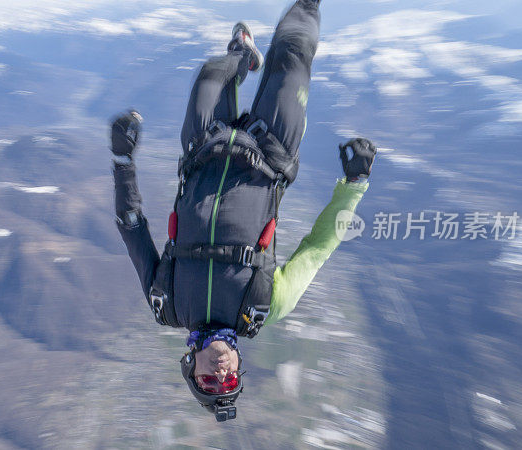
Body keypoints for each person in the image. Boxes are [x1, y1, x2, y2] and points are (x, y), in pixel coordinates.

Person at [110, 0, 377, 422]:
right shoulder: (264, 306)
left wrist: (122, 163)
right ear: (239, 370)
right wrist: (354, 186)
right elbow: (318, 247)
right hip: (271, 153)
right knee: (292, 56)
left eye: (208, 382)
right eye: (230, 382)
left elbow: (131, 228)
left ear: (190, 368)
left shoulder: (168, 305)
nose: (220, 374)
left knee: (211, 74)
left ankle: (240, 56)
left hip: (202, 150)